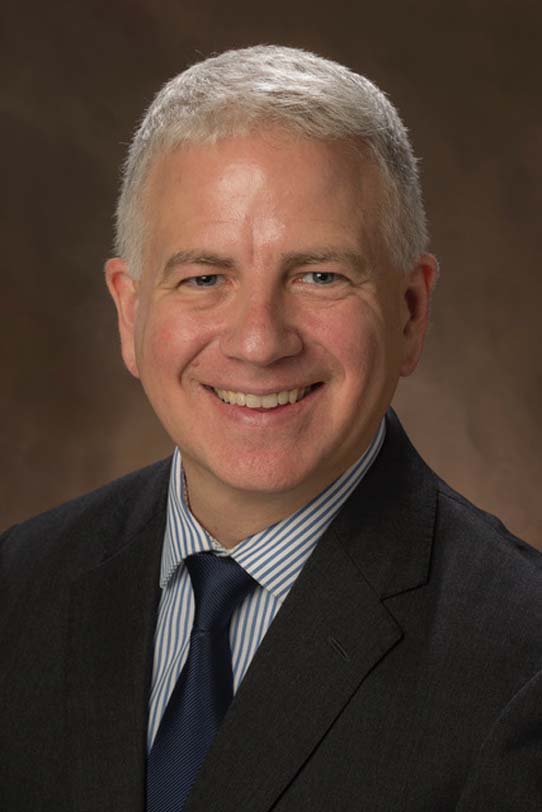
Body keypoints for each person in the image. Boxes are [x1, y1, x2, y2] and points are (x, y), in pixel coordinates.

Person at [1, 45, 542, 812]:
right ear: (130, 313)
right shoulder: (17, 588)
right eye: (204, 278)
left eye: (320, 275)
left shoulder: (521, 658)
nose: (259, 342)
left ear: (410, 313)